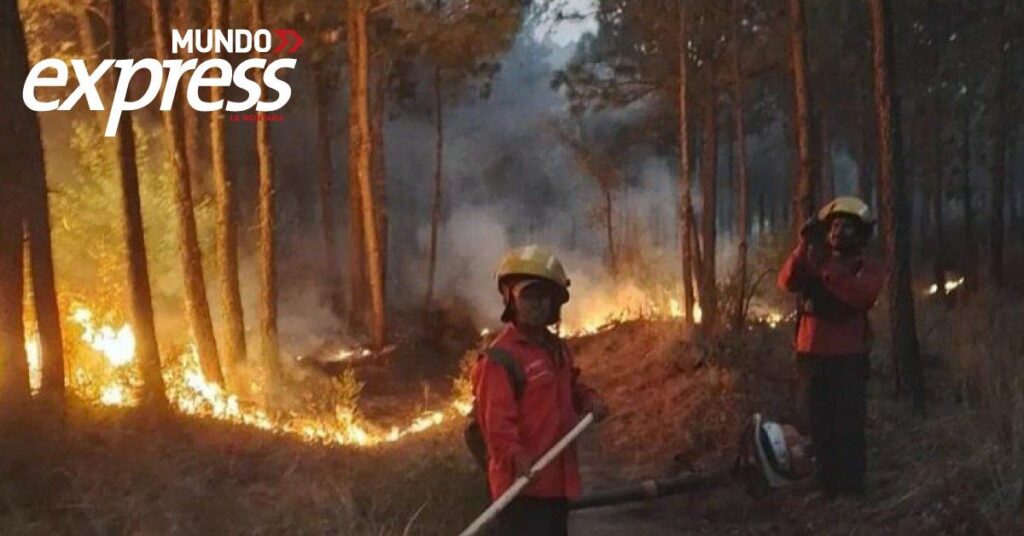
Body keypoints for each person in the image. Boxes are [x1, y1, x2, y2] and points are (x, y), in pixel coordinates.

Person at [471, 245, 609, 535]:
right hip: (522, 490)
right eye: (528, 295)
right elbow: (496, 425)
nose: (537, 304)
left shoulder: (555, 349)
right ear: (510, 298)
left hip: (557, 484)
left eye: (544, 296)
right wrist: (518, 457)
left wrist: (588, 398)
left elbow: (570, 386)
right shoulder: (500, 360)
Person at [777, 197, 884, 498]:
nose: (838, 232)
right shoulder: (812, 259)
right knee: (819, 423)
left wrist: (827, 268)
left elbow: (861, 296)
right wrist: (802, 248)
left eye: (846, 227)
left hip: (848, 358)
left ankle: (851, 489)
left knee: (848, 425)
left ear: (860, 234)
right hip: (811, 356)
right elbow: (786, 281)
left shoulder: (867, 268)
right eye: (834, 226)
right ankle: (826, 485)